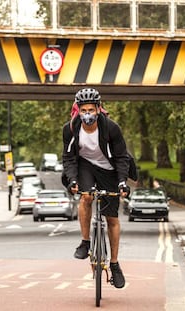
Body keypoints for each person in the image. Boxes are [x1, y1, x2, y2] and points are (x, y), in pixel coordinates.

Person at [62, 87, 130, 289]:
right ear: (78, 109)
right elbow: (69, 158)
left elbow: (121, 157)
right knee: (86, 197)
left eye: (91, 110)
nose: (87, 115)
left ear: (99, 109)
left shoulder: (111, 128)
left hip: (109, 170)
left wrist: (122, 182)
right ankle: (85, 242)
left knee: (112, 218)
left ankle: (115, 264)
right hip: (85, 167)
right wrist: (73, 180)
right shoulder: (71, 129)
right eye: (83, 110)